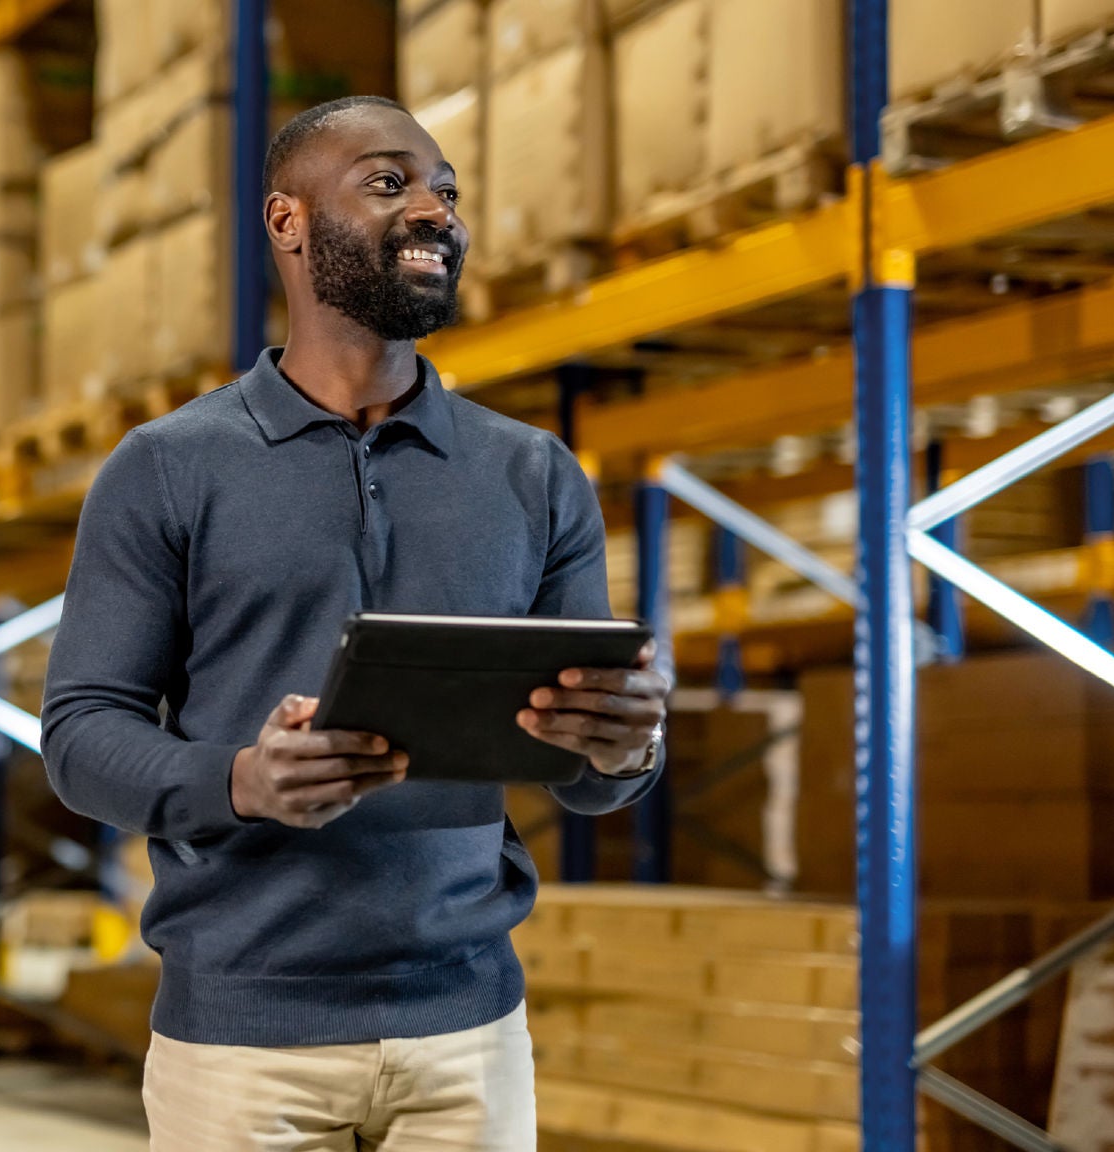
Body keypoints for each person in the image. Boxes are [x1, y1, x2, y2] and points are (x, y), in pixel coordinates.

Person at [40, 95, 671, 1150]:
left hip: (467, 1031)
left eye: (446, 192)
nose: (433, 210)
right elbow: (79, 735)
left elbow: (592, 772)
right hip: (242, 1043)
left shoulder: (531, 475)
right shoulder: (168, 467)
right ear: (287, 223)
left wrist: (626, 740)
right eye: (389, 183)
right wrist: (242, 779)